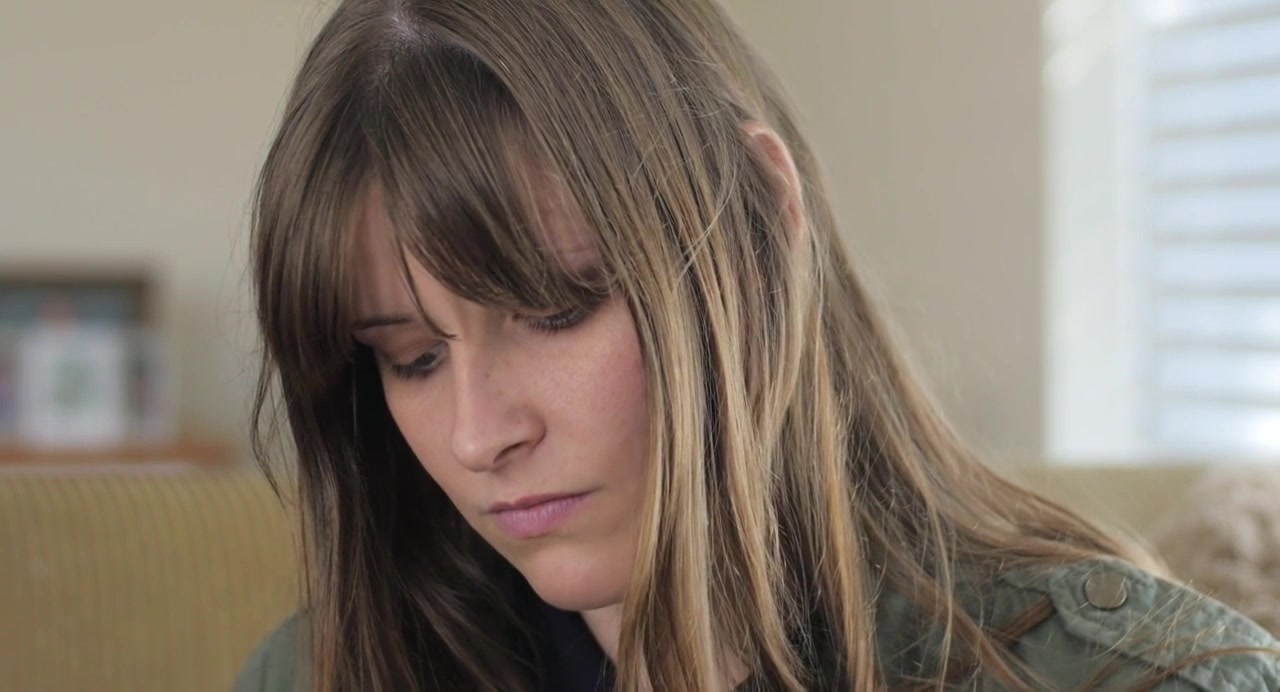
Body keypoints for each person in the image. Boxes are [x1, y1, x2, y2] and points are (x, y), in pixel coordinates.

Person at [236, 1, 1280, 690]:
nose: (477, 436)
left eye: (554, 312)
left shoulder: (1146, 679)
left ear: (763, 228)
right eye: (413, 358)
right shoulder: (321, 671)